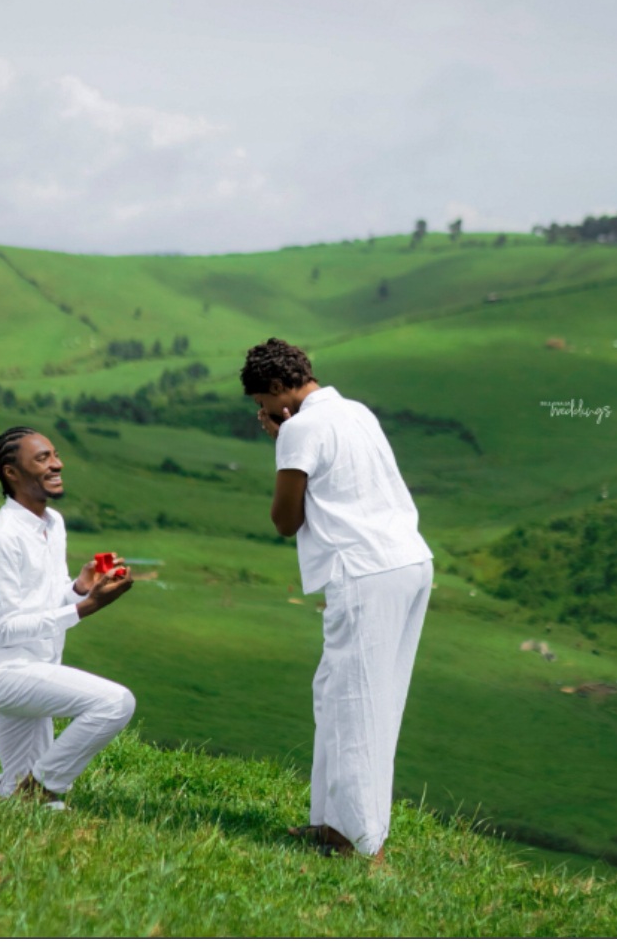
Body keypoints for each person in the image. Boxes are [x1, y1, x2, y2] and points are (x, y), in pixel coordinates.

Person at [240, 338, 434, 860]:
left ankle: (360, 843)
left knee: (356, 703)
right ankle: (330, 824)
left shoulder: (298, 429)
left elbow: (285, 520)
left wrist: (281, 439)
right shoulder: (356, 411)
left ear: (277, 389)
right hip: (408, 560)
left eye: (261, 401)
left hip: (365, 570)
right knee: (340, 692)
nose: (262, 411)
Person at [0, 426, 136, 808]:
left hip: (35, 668)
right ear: (11, 473)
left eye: (55, 455)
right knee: (116, 703)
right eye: (43, 458)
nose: (57, 464)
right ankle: (44, 786)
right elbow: (3, 628)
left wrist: (78, 588)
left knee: (18, 795)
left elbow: (42, 602)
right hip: (2, 672)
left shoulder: (53, 523)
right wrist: (86, 607)